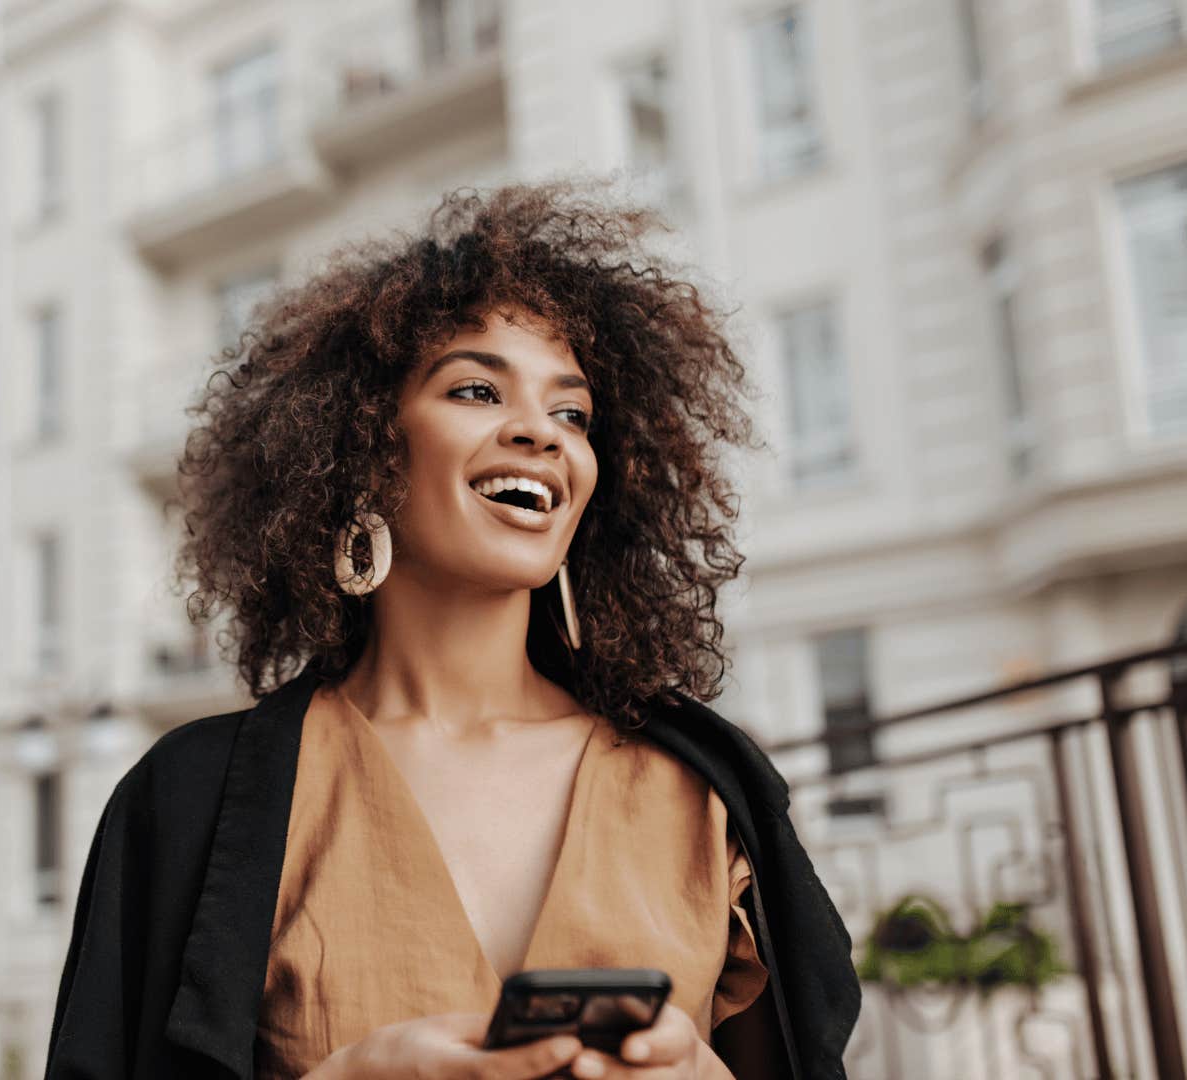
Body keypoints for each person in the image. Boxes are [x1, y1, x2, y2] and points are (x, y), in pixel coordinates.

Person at [45, 181, 860, 1079]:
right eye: (477, 389)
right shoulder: (183, 799)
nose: (541, 436)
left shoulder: (703, 792)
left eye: (572, 414)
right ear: (360, 449)